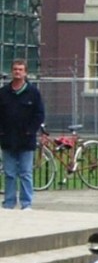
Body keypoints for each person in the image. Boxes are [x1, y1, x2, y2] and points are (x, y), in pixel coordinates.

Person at [0, 58, 45, 210]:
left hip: (26, 140)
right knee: (10, 173)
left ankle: (26, 203)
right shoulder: (4, 93)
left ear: (25, 72)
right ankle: (9, 202)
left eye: (20, 69)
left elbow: (39, 114)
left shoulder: (33, 93)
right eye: (15, 69)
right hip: (8, 138)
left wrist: (30, 131)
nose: (17, 72)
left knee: (25, 173)